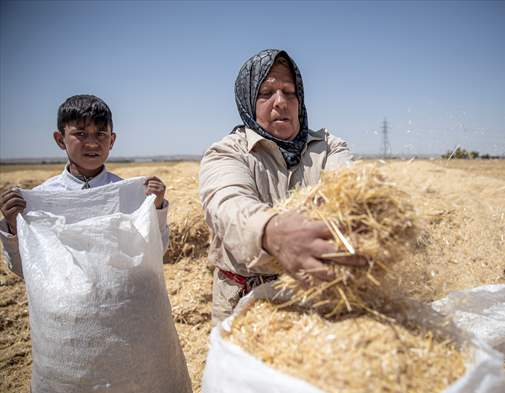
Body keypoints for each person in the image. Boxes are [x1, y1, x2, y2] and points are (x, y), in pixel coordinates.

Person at [199, 49, 364, 326]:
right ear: (248, 100)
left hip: (317, 295)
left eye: (289, 92)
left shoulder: (328, 147)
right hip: (244, 302)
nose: (281, 102)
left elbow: (345, 188)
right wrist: (272, 231)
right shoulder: (228, 152)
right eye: (266, 93)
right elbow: (226, 204)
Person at [0, 94, 170, 278]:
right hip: (64, 305)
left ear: (111, 141)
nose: (92, 143)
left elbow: (156, 252)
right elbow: (21, 268)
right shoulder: (41, 199)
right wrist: (13, 227)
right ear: (60, 139)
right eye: (80, 134)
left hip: (122, 303)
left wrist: (156, 208)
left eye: (101, 134)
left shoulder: (128, 194)